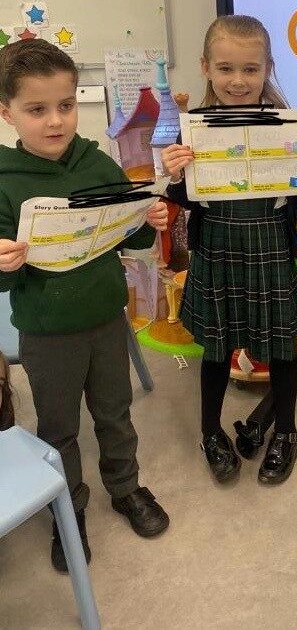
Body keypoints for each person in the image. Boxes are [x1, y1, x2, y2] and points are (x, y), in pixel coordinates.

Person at [0, 38, 170, 572]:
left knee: (115, 413)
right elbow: (3, 280)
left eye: (66, 105)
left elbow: (133, 238)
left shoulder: (98, 163)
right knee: (59, 427)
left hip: (105, 319)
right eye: (37, 109)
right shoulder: (4, 182)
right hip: (47, 331)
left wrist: (149, 221)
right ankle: (68, 509)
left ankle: (125, 486)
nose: (56, 121)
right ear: (7, 113)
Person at [162, 14, 297, 485]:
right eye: (225, 68)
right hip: (217, 246)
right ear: (206, 67)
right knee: (216, 349)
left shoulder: (286, 125)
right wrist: (174, 177)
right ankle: (209, 432)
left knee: (281, 346)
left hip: (269, 244)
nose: (238, 80)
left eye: (250, 69)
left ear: (267, 69)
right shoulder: (193, 128)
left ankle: (287, 431)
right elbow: (184, 199)